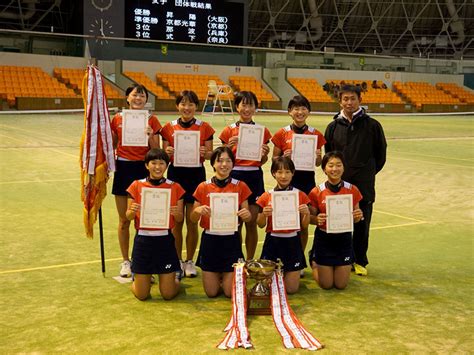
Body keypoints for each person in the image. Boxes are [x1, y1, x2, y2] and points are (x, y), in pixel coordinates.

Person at [324, 84, 387, 276]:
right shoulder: (333, 126)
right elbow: (329, 155)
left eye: (352, 98)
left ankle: (359, 260)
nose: (349, 102)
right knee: (337, 222)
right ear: (340, 101)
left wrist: (366, 173)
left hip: (364, 184)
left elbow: (381, 155)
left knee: (362, 223)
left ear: (360, 100)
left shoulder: (373, 125)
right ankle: (339, 259)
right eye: (345, 99)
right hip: (338, 185)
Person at [160, 90, 215, 278]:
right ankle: (176, 261)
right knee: (176, 222)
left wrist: (204, 152)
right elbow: (163, 156)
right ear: (177, 106)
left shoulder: (204, 127)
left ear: (196, 107)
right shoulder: (168, 127)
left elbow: (210, 155)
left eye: (191, 104)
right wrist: (166, 151)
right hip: (175, 176)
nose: (187, 107)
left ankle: (189, 260)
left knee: (193, 221)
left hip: (195, 176)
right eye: (183, 103)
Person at [271, 95, 326, 275]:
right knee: (285, 221)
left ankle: (298, 259)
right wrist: (283, 158)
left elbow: (318, 163)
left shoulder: (316, 134)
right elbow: (274, 161)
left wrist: (317, 157)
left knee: (303, 223)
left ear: (308, 112)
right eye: (296, 108)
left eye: (303, 108)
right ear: (289, 112)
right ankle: (280, 258)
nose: (299, 112)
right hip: (287, 182)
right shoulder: (281, 133)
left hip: (306, 182)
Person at [111, 84, 161, 278]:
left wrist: (149, 135)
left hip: (144, 169)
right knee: (124, 219)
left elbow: (157, 151)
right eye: (135, 95)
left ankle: (146, 260)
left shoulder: (152, 120)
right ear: (127, 98)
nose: (138, 98)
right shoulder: (117, 119)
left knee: (145, 220)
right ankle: (126, 261)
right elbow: (112, 146)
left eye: (142, 95)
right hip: (123, 169)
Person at [191, 147, 252, 297]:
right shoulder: (203, 186)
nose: (224, 164)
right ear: (213, 164)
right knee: (211, 293)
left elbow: (248, 217)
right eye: (220, 161)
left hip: (231, 240)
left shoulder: (240, 186)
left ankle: (225, 277)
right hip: (210, 240)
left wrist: (246, 214)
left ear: (233, 164)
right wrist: (197, 211)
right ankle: (218, 275)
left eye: (228, 161)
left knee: (229, 293)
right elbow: (193, 218)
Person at [219, 91, 272, 260]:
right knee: (236, 223)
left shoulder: (262, 131)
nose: (247, 109)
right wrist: (228, 146)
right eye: (243, 104)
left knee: (252, 223)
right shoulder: (229, 131)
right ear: (237, 107)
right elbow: (222, 162)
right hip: (234, 177)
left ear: (256, 108)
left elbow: (262, 161)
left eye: (250, 105)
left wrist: (264, 154)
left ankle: (250, 260)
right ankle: (237, 259)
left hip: (254, 177)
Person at [125, 148, 184, 300]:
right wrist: (132, 211)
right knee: (142, 295)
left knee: (168, 294)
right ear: (146, 165)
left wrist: (176, 213)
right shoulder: (136, 185)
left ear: (166, 166)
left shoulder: (175, 187)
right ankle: (139, 280)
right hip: (143, 240)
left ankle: (175, 279)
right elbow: (128, 215)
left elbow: (179, 219)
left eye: (161, 163)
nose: (157, 167)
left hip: (165, 241)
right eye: (153, 163)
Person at [308, 151, 363, 290]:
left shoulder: (352, 190)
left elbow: (357, 217)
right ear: (324, 169)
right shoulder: (316, 191)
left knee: (340, 285)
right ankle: (314, 260)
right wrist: (316, 219)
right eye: (330, 165)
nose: (335, 169)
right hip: (324, 238)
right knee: (326, 285)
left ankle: (330, 265)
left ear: (344, 167)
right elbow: (310, 218)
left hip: (344, 238)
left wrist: (358, 216)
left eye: (339, 165)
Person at [256, 156, 311, 294]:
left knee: (291, 290)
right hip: (273, 241)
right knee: (270, 288)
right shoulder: (267, 196)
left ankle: (293, 271)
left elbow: (304, 226)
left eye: (287, 172)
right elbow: (260, 224)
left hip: (293, 242)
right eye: (279, 172)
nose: (283, 176)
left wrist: (306, 213)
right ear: (273, 173)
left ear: (293, 173)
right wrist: (264, 214)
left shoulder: (300, 195)